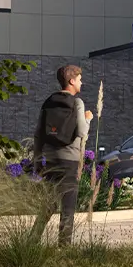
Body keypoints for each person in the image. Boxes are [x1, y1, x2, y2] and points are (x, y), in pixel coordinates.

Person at [31, 64, 93, 246]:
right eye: (80, 79)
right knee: (68, 207)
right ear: (71, 81)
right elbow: (82, 132)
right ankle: (64, 247)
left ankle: (32, 241)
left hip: (50, 160)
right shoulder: (77, 103)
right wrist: (88, 119)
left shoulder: (48, 102)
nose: (82, 82)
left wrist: (37, 161)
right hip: (69, 161)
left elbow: (38, 134)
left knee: (47, 205)